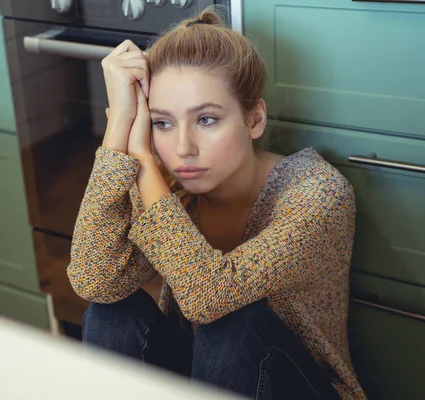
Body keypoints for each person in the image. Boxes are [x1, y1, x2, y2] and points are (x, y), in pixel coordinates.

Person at [67, 8, 367, 400]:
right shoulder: (167, 186)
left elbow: (208, 296)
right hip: (202, 378)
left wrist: (141, 160)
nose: (182, 148)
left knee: (232, 326)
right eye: (162, 123)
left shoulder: (318, 194)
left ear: (254, 119)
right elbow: (95, 280)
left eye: (206, 120)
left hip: (296, 388)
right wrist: (119, 128)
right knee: (109, 313)